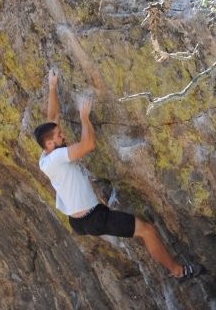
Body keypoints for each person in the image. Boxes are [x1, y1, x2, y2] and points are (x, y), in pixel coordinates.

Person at [34, 69, 201, 280]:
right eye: (59, 136)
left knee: (141, 226)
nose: (63, 135)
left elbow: (52, 119)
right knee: (147, 230)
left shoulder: (45, 156)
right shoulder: (57, 157)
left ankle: (175, 268)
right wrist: (84, 118)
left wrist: (52, 86)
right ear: (50, 144)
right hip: (93, 218)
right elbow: (88, 144)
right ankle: (179, 271)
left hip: (79, 221)